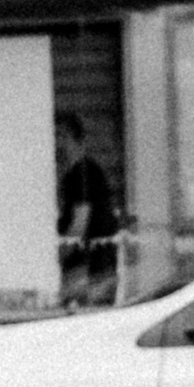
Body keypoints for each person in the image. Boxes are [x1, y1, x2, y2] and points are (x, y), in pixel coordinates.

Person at [55, 112, 119, 307]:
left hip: (88, 270)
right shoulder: (85, 172)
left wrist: (57, 256)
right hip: (98, 267)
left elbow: (79, 223)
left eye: (60, 136)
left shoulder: (81, 174)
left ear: (73, 139)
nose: (56, 143)